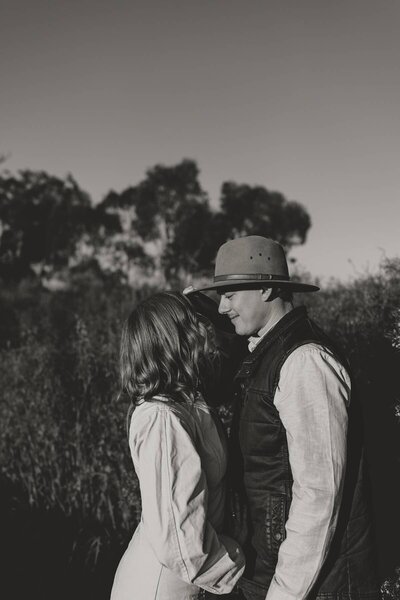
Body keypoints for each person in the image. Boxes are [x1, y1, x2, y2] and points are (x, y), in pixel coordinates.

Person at [185, 236, 379, 600]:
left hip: (320, 586)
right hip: (278, 574)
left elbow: (319, 495)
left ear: (269, 287)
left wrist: (285, 593)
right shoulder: (268, 352)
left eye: (230, 294)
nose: (223, 307)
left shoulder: (306, 362)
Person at [110, 291, 245, 600]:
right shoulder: (162, 419)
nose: (203, 332)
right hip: (164, 589)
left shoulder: (187, 404)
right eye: (193, 325)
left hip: (190, 583)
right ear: (173, 341)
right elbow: (179, 540)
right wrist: (243, 561)